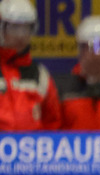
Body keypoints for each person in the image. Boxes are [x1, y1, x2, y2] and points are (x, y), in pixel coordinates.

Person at [0, 0, 60, 131]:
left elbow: (53, 125)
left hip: (31, 150)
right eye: (14, 27)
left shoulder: (40, 75)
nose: (21, 36)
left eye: (26, 28)